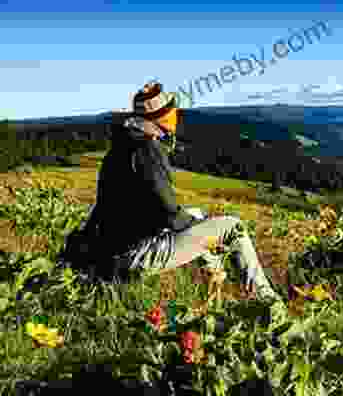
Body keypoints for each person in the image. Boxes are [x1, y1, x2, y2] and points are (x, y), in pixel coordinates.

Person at [60, 81, 286, 311]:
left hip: (114, 249)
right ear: (162, 116)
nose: (176, 114)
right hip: (136, 254)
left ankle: (214, 290)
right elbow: (169, 214)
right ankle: (270, 305)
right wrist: (200, 227)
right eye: (172, 110)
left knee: (196, 215)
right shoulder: (147, 149)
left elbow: (114, 207)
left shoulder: (121, 145)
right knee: (232, 227)